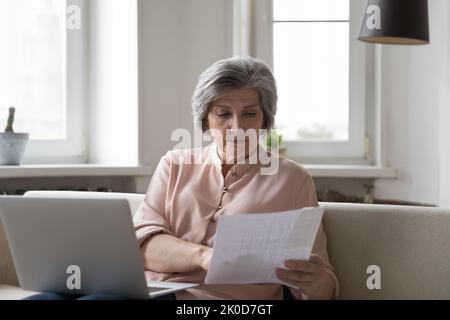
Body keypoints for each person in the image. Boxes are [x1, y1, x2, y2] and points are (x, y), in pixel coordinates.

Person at [134, 56, 339, 300]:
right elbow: (143, 247)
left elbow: (322, 285)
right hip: (148, 293)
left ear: (265, 120)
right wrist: (205, 256)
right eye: (223, 114)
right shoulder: (174, 165)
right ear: (205, 119)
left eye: (250, 114)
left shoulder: (292, 179)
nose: (237, 127)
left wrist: (315, 282)